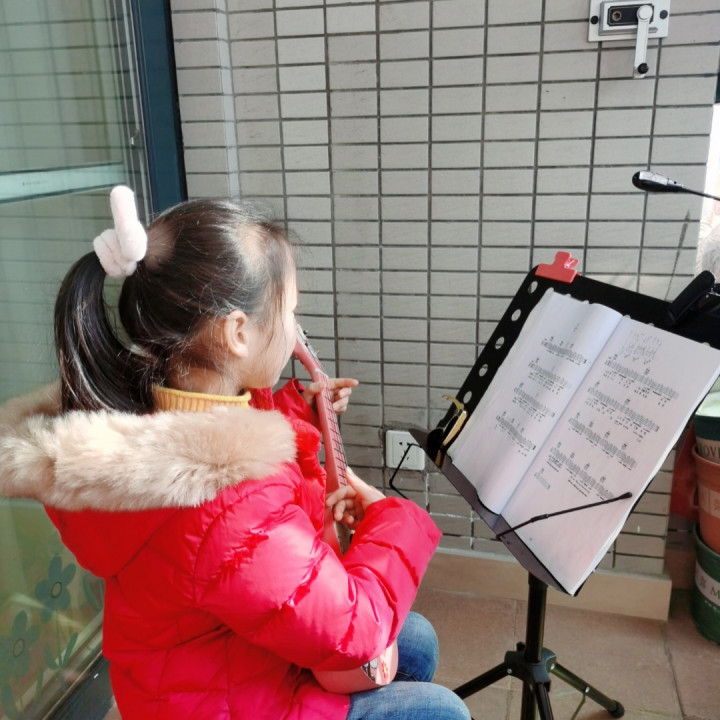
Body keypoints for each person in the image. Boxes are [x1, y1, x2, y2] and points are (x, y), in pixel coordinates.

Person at [0, 187, 471, 720]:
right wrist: (393, 519)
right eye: (289, 312)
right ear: (237, 334)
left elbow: (232, 457)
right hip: (231, 703)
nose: (294, 331)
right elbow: (354, 628)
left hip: (189, 673)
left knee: (415, 640)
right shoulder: (226, 501)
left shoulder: (142, 406)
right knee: (440, 710)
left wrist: (297, 411)